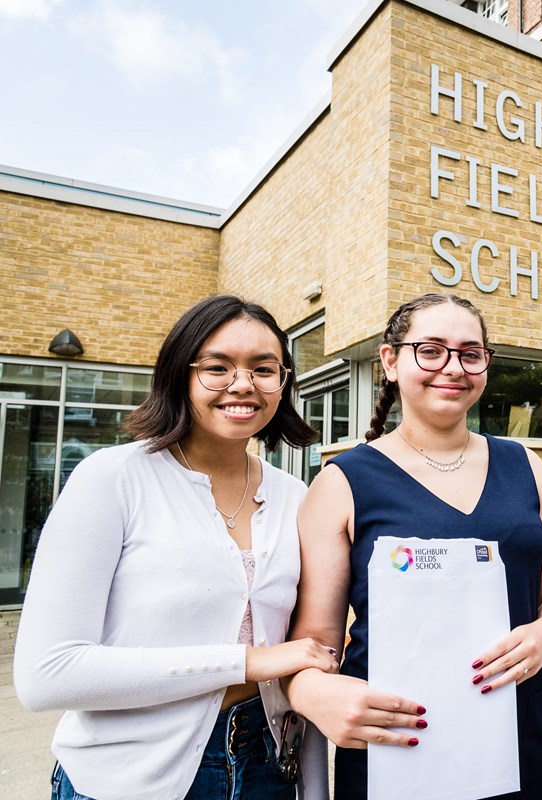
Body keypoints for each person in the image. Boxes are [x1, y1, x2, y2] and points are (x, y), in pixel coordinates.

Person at [14, 295, 338, 800]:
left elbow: (311, 643)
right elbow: (47, 675)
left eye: (264, 368)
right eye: (217, 367)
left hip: (266, 763)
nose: (243, 384)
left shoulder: (295, 495)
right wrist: (248, 662)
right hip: (130, 774)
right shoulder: (113, 479)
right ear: (178, 375)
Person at [285, 293, 542, 799]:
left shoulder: (525, 465)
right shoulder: (342, 482)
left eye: (470, 353)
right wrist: (313, 693)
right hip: (395, 741)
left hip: (513, 730)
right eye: (431, 350)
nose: (453, 368)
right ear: (390, 361)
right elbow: (316, 641)